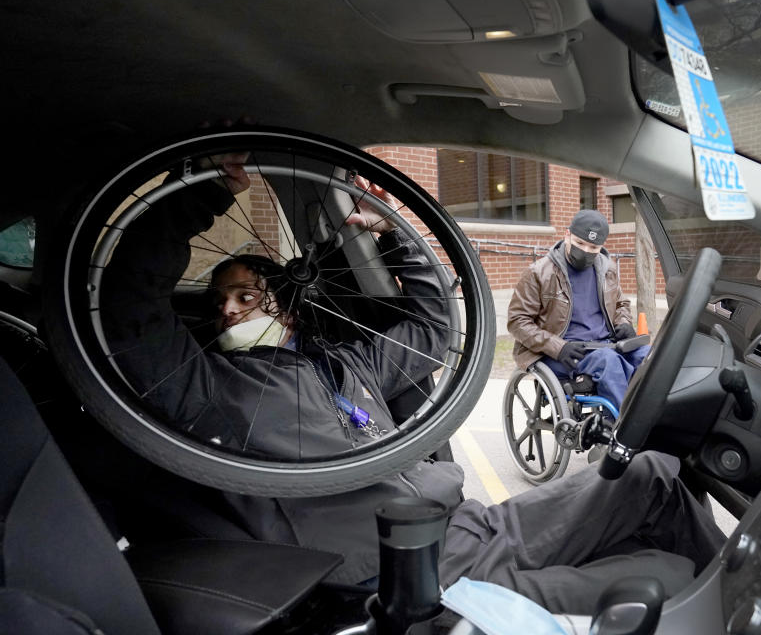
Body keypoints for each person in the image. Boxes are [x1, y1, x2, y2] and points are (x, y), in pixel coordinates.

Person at [100, 155, 725, 616]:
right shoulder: (208, 390)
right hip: (405, 569)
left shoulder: (348, 364)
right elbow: (130, 304)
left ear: (288, 306)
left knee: (651, 475)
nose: (229, 312)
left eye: (245, 295)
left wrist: (393, 235)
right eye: (219, 303)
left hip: (469, 523)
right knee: (669, 572)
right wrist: (198, 194)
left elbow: (431, 325)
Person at [507, 210, 651, 410]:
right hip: (563, 351)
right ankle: (622, 431)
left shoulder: (607, 269)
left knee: (649, 356)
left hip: (604, 345)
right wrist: (558, 347)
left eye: (593, 247)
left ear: (601, 246)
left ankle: (651, 421)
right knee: (609, 362)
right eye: (580, 243)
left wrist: (624, 323)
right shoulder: (538, 273)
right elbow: (517, 322)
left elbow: (620, 304)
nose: (586, 251)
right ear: (567, 235)